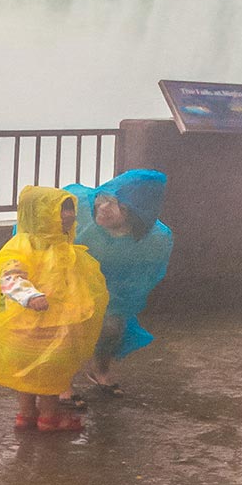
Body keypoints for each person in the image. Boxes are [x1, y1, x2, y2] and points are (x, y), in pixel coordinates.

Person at [0, 185, 109, 433]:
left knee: (29, 376)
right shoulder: (24, 246)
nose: (69, 216)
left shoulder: (58, 246)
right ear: (39, 214)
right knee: (50, 376)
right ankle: (49, 417)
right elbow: (9, 277)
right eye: (61, 210)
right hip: (43, 328)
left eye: (70, 209)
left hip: (29, 328)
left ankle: (26, 415)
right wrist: (30, 296)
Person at [61, 169, 173, 406]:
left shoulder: (155, 239)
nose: (102, 207)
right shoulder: (80, 215)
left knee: (112, 327)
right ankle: (61, 382)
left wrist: (116, 298)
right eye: (102, 199)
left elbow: (143, 275)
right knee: (68, 331)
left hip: (111, 288)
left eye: (115, 205)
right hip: (69, 282)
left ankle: (99, 369)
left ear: (137, 212)